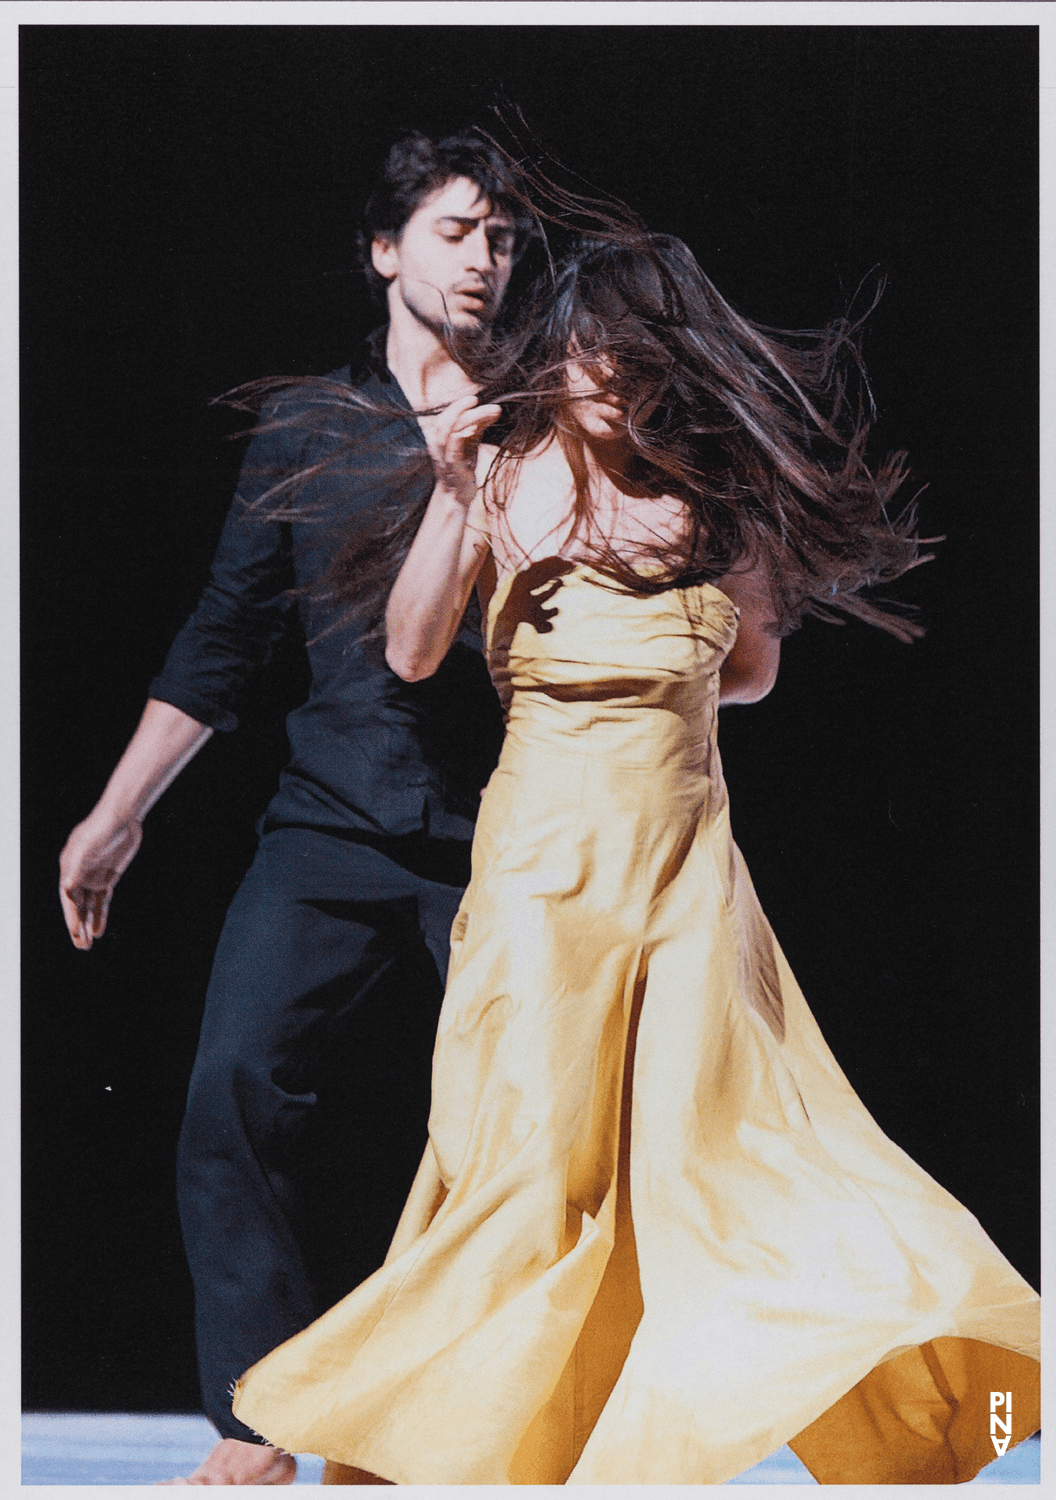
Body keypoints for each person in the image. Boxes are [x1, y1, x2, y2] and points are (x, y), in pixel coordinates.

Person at [231, 232, 1040, 1485]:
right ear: (559, 356)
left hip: (684, 881)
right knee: (529, 1162)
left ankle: (964, 1412)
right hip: (543, 879)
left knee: (748, 1159)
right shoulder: (501, 480)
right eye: (597, 360)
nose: (617, 384)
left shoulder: (711, 496)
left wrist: (668, 673)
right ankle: (453, 1456)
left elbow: (753, 671)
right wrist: (450, 491)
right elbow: (409, 650)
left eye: (641, 365)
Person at [57, 129, 530, 1486]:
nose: (483, 260)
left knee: (515, 1132)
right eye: (454, 231)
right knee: (232, 1088)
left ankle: (453, 1422)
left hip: (504, 831)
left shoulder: (542, 420)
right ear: (385, 250)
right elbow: (224, 640)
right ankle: (258, 1428)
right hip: (330, 822)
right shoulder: (310, 425)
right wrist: (118, 814)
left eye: (501, 239)